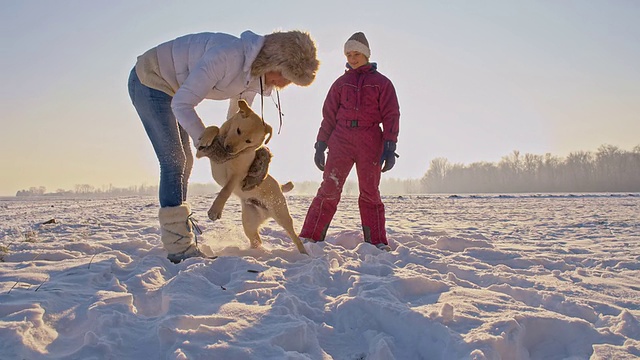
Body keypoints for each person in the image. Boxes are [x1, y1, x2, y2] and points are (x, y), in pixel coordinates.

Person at [128, 30, 319, 263]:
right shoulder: (227, 57)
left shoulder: (253, 78)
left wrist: (251, 157)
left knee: (186, 160)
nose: (283, 85)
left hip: (176, 90)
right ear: (273, 62)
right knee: (174, 160)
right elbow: (182, 103)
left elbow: (236, 121)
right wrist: (210, 147)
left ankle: (179, 234)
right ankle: (178, 246)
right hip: (151, 79)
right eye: (285, 76)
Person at [299, 32, 400, 252]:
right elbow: (328, 116)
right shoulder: (340, 84)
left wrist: (390, 146)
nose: (352, 58)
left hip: (370, 140)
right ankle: (310, 237)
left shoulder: (382, 83)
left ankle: (377, 242)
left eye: (356, 54)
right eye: (348, 54)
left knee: (370, 191)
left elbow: (392, 115)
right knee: (329, 188)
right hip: (341, 139)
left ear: (365, 54)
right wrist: (320, 144)